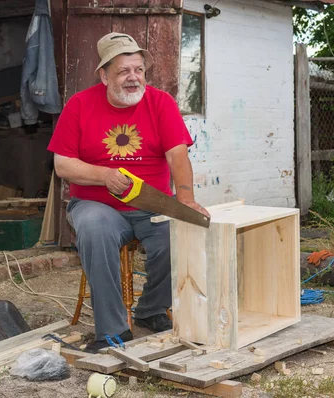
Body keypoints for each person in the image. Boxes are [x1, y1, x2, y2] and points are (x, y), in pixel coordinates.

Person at [47, 32, 209, 353]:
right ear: (104, 76)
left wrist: (186, 201)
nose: (133, 77)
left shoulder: (161, 102)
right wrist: (103, 174)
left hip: (152, 203)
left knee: (178, 229)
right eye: (123, 71)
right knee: (94, 230)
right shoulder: (79, 105)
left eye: (138, 70)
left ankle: (150, 308)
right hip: (96, 204)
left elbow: (178, 155)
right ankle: (113, 331)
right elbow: (62, 165)